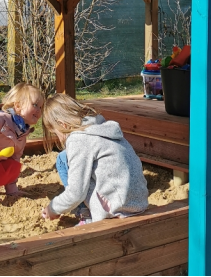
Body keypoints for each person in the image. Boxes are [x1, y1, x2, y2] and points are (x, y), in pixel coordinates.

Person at [40, 94, 149, 224]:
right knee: (63, 157)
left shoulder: (78, 140)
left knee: (70, 168)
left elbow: (76, 192)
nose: (58, 138)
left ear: (62, 125)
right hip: (139, 202)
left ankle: (86, 216)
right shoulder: (102, 127)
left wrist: (53, 208)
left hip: (117, 210)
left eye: (55, 133)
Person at [0, 82, 44, 212]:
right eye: (35, 105)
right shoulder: (0, 119)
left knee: (14, 165)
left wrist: (12, 190)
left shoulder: (22, 133)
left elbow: (15, 159)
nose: (39, 110)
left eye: (41, 107)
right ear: (18, 106)